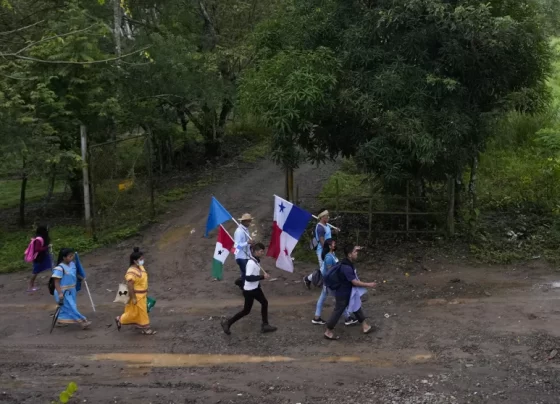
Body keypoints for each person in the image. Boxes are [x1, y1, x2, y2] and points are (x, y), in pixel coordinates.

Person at [221, 243, 277, 335]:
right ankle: (228, 323)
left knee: (259, 305)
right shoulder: (251, 263)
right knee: (248, 310)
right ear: (255, 252)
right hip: (250, 290)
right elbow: (248, 278)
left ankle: (265, 325)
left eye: (263, 251)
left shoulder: (256, 261)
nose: (262, 253)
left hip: (254, 288)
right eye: (261, 251)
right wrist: (262, 277)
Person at [324, 244, 377, 340]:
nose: (357, 253)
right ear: (349, 254)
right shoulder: (347, 267)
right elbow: (355, 282)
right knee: (338, 311)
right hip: (343, 293)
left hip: (347, 292)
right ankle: (328, 331)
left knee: (356, 306)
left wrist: (357, 248)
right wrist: (369, 284)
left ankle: (365, 326)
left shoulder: (346, 262)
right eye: (355, 252)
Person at [311, 239, 357, 326]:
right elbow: (330, 272)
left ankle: (316, 318)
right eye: (334, 243)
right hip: (329, 283)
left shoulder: (332, 254)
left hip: (328, 282)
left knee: (322, 299)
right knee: (340, 300)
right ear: (329, 246)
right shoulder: (328, 257)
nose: (335, 244)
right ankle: (347, 318)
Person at [115, 248, 156, 335]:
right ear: (135, 260)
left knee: (135, 313)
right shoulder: (131, 271)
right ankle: (146, 328)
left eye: (142, 258)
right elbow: (130, 286)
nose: (142, 260)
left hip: (143, 294)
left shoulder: (140, 267)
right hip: (137, 295)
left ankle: (120, 319)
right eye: (141, 259)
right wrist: (133, 298)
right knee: (142, 312)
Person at [51, 248, 91, 329]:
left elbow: (74, 275)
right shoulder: (59, 268)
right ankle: (82, 322)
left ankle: (60, 320)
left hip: (72, 290)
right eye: (70, 256)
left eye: (72, 256)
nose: (72, 257)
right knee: (71, 307)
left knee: (67, 307)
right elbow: (56, 282)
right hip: (63, 291)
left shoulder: (72, 264)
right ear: (64, 258)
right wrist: (60, 293)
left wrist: (81, 277)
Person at [303, 210, 336, 289]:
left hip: (329, 249)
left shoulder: (326, 225)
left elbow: (327, 233)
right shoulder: (320, 228)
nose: (328, 217)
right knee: (324, 269)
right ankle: (309, 279)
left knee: (331, 266)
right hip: (323, 251)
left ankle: (309, 279)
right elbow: (322, 241)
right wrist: (328, 251)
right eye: (326, 216)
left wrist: (334, 231)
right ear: (322, 217)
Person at [28, 225, 52, 292]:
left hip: (44, 256)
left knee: (52, 266)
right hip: (39, 258)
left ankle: (56, 281)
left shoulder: (42, 237)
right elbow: (37, 249)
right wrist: (47, 247)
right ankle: (30, 286)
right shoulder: (39, 239)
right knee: (35, 271)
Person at [234, 213, 254, 290]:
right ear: (244, 221)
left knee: (245, 272)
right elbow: (236, 246)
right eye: (248, 221)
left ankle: (241, 283)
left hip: (247, 256)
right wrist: (247, 243)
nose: (249, 223)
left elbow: (246, 244)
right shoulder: (239, 231)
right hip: (241, 256)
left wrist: (250, 244)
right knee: (247, 273)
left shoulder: (246, 231)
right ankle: (246, 289)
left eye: (250, 221)